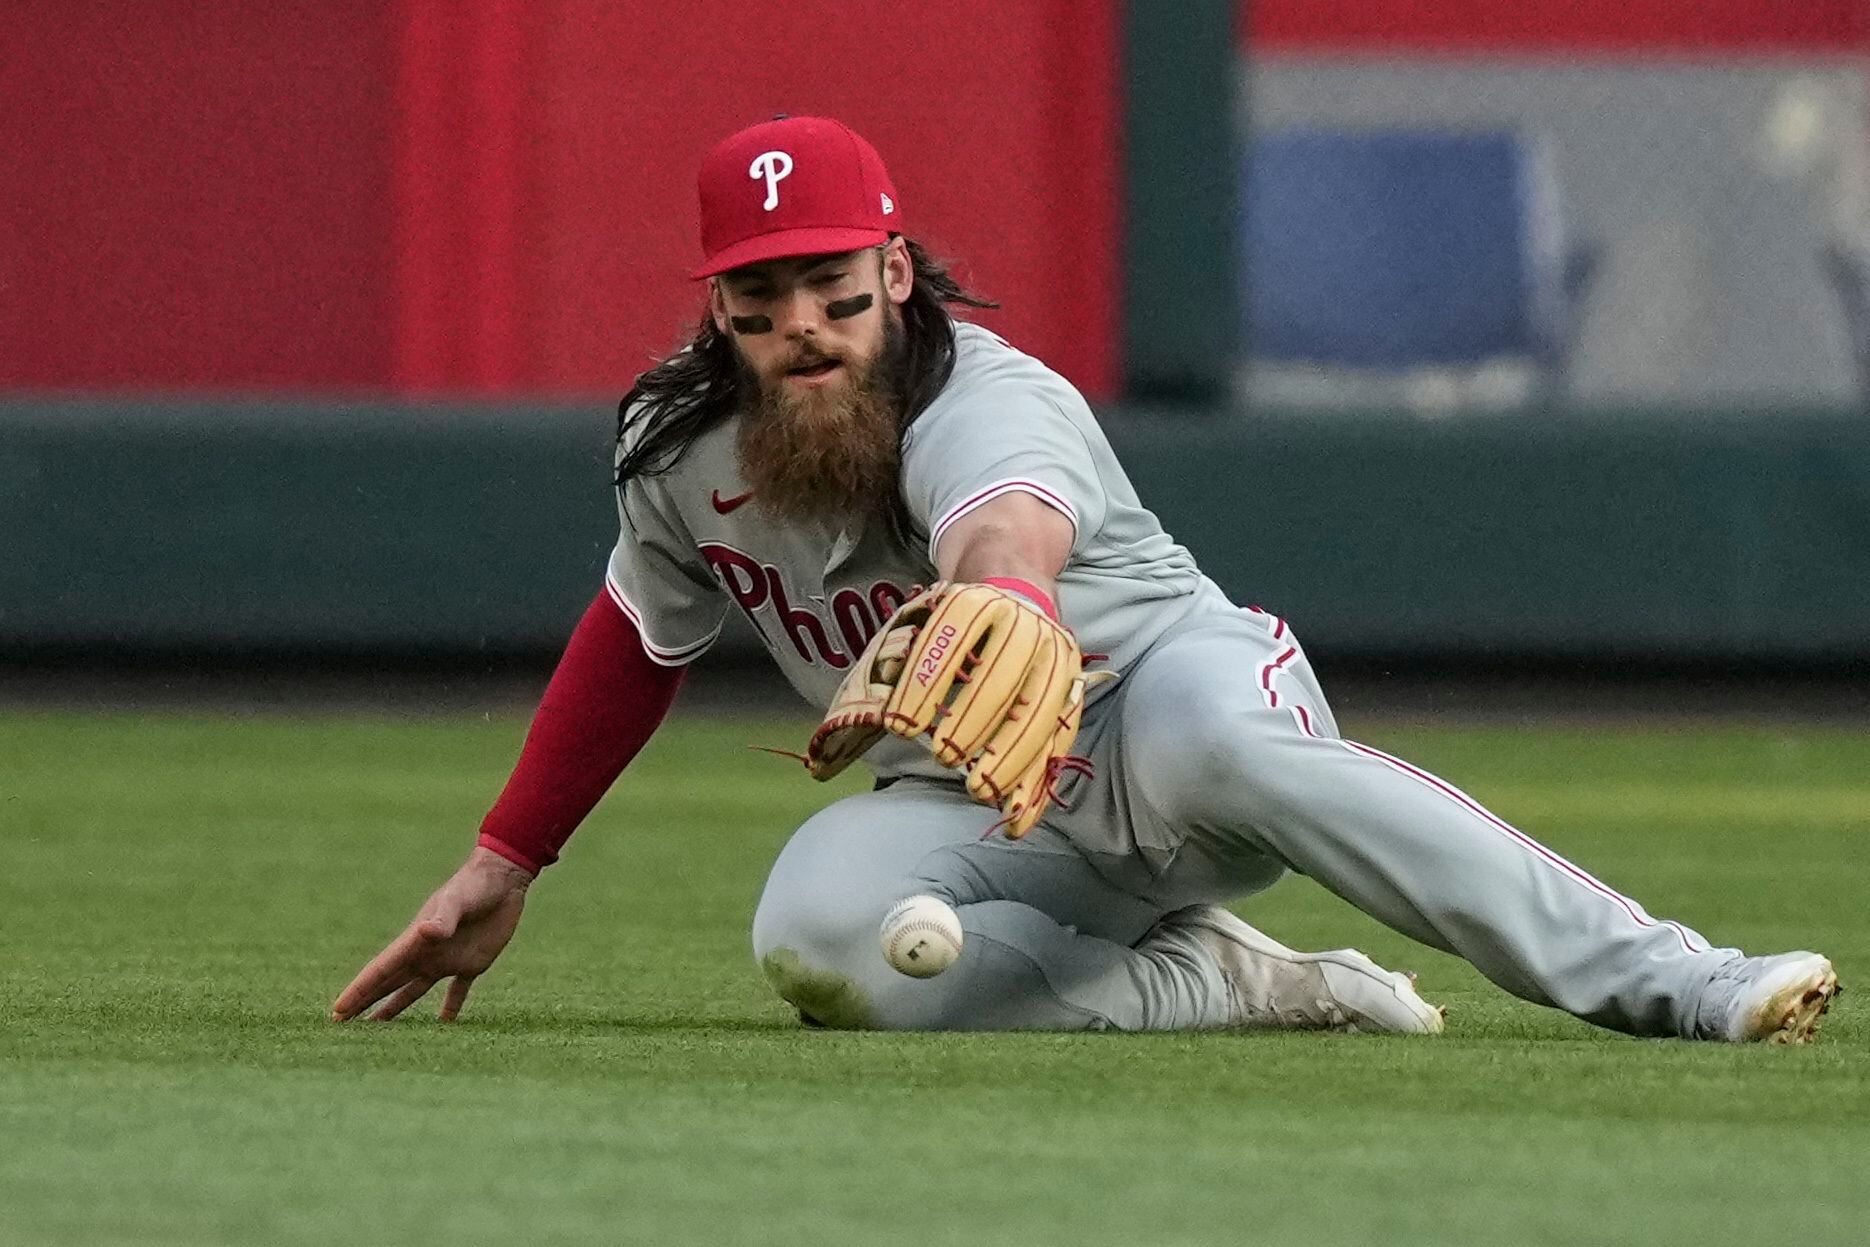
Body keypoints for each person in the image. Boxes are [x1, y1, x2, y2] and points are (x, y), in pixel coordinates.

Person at [333, 116, 1839, 1042]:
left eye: (836, 289)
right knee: (820, 943)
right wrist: (504, 859)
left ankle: (1674, 977)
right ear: (715, 302)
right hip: (971, 800)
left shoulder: (986, 394)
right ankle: (1240, 989)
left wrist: (1004, 604)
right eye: (760, 295)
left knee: (1229, 737)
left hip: (1163, 717)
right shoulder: (678, 450)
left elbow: (1004, 526)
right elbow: (636, 634)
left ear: (898, 276)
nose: (804, 325)